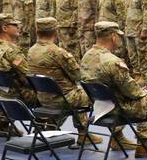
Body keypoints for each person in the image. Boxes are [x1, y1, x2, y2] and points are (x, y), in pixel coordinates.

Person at [80, 21, 147, 160]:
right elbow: (134, 93)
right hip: (120, 109)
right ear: (112, 36)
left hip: (101, 105)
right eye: (117, 35)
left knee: (142, 97)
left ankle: (118, 139)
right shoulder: (113, 62)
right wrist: (146, 92)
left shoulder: (87, 56)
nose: (119, 38)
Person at [28, 16, 100, 147]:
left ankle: (52, 125)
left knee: (73, 92)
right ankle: (84, 134)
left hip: (42, 98)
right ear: (56, 32)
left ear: (37, 32)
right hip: (61, 99)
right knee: (90, 93)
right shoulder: (57, 52)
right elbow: (79, 76)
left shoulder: (31, 50)